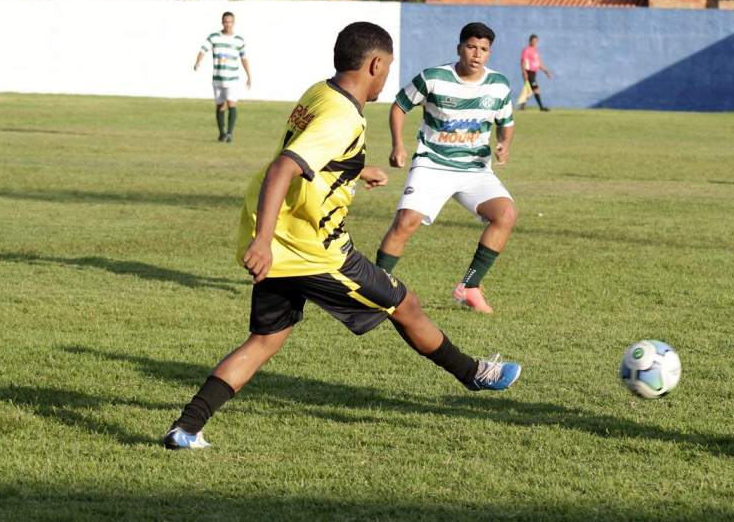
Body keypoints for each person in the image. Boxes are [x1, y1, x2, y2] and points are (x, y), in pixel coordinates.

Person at [164, 22, 521, 450]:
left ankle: (186, 428)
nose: (387, 77)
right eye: (387, 67)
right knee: (404, 304)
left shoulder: (321, 92)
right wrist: (262, 240)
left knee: (265, 340)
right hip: (314, 250)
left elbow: (309, 155)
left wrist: (353, 168)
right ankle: (473, 374)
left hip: (282, 241)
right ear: (375, 64)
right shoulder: (341, 115)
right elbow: (283, 168)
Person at [375, 22, 517, 315]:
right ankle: (375, 287)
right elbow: (400, 105)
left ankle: (470, 286)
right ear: (459, 48)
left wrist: (504, 144)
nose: (477, 54)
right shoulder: (433, 78)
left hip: (475, 169)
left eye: (484, 49)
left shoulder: (499, 85)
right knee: (406, 222)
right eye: (471, 47)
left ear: (489, 53)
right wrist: (397, 145)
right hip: (432, 164)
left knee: (506, 214)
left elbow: (506, 123)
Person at [194, 11, 253, 142]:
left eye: (230, 22)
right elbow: (203, 50)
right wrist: (198, 61)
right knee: (220, 105)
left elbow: (244, 58)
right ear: (222, 22)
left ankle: (230, 134)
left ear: (234, 23)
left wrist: (249, 75)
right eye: (226, 21)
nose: (228, 24)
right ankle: (222, 133)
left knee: (232, 104)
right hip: (218, 78)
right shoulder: (214, 37)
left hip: (232, 78)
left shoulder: (238, 40)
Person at [520, 34, 551, 112]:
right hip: (529, 72)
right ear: (530, 41)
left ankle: (522, 106)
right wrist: (524, 72)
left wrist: (546, 71)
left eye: (536, 41)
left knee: (528, 90)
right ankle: (541, 107)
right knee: (536, 89)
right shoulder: (527, 50)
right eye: (533, 41)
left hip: (534, 73)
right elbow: (523, 61)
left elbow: (539, 63)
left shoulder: (535, 51)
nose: (535, 42)